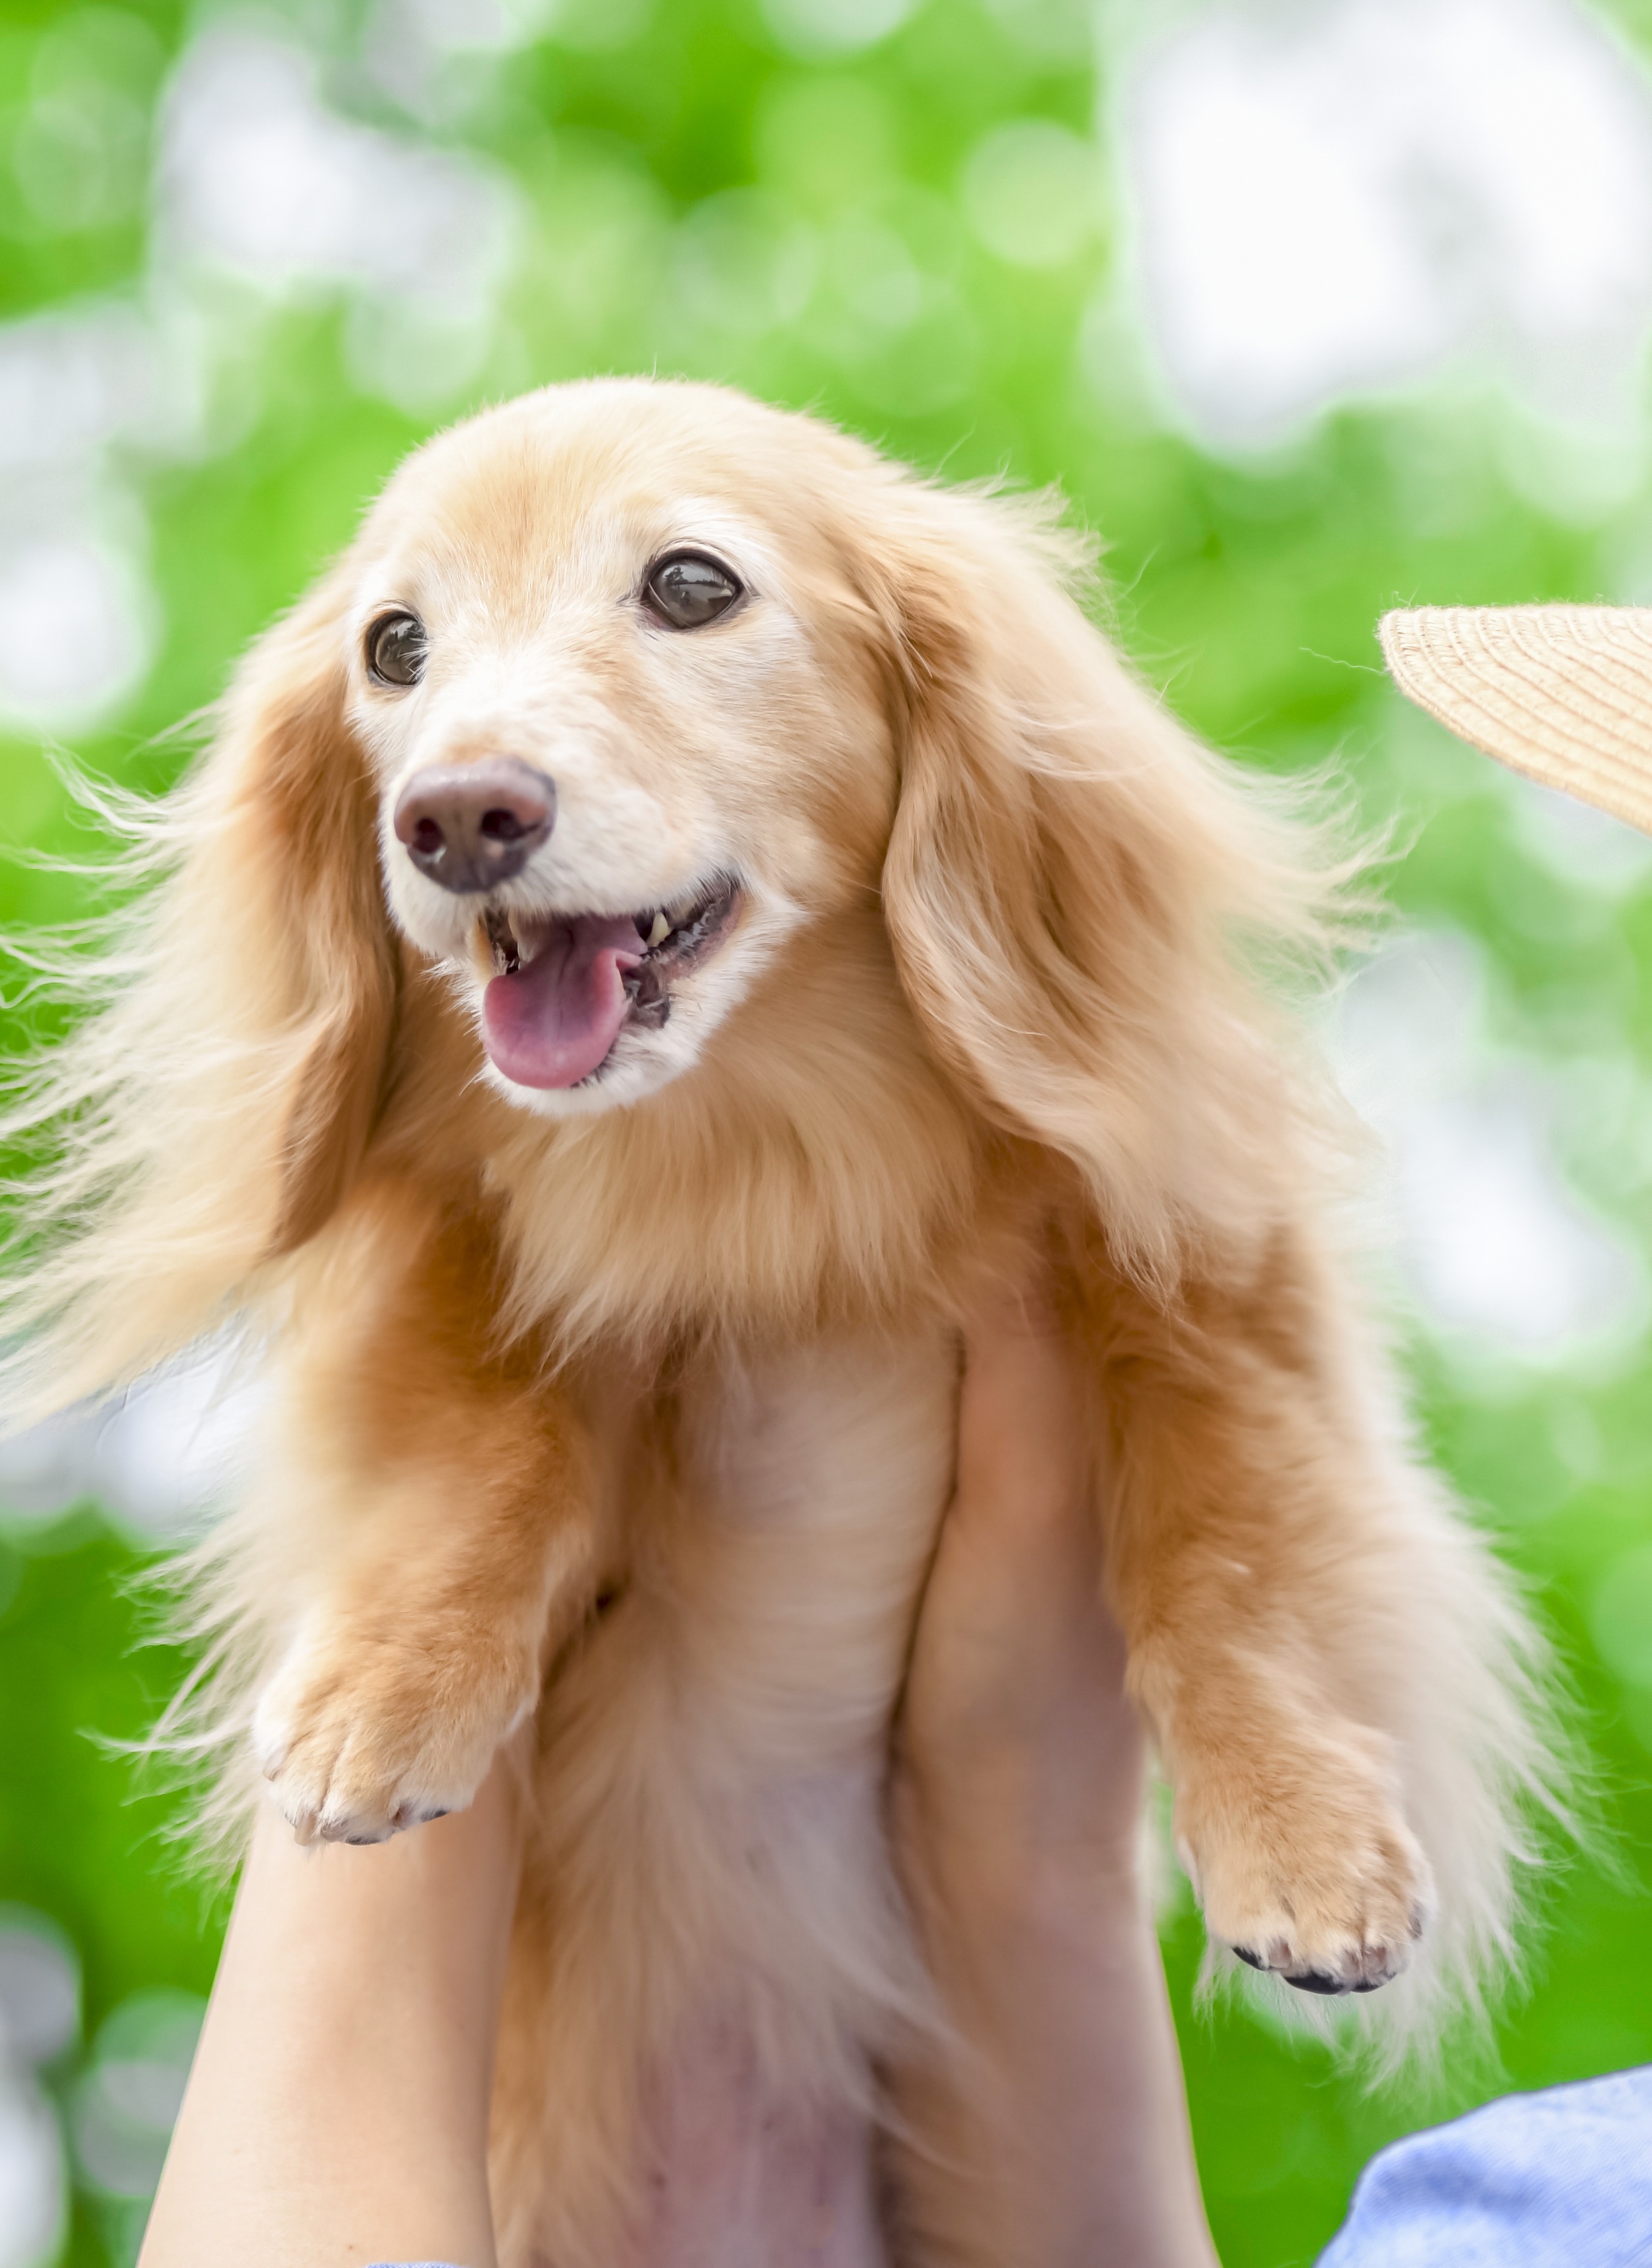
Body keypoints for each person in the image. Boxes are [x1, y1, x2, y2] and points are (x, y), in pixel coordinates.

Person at [132, 605, 1652, 2266]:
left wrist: (1190, 1720)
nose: (464, 766)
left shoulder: (1536, 2215)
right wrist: (1029, 1849)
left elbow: (1238, 1358)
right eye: (400, 647)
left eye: (691, 594)